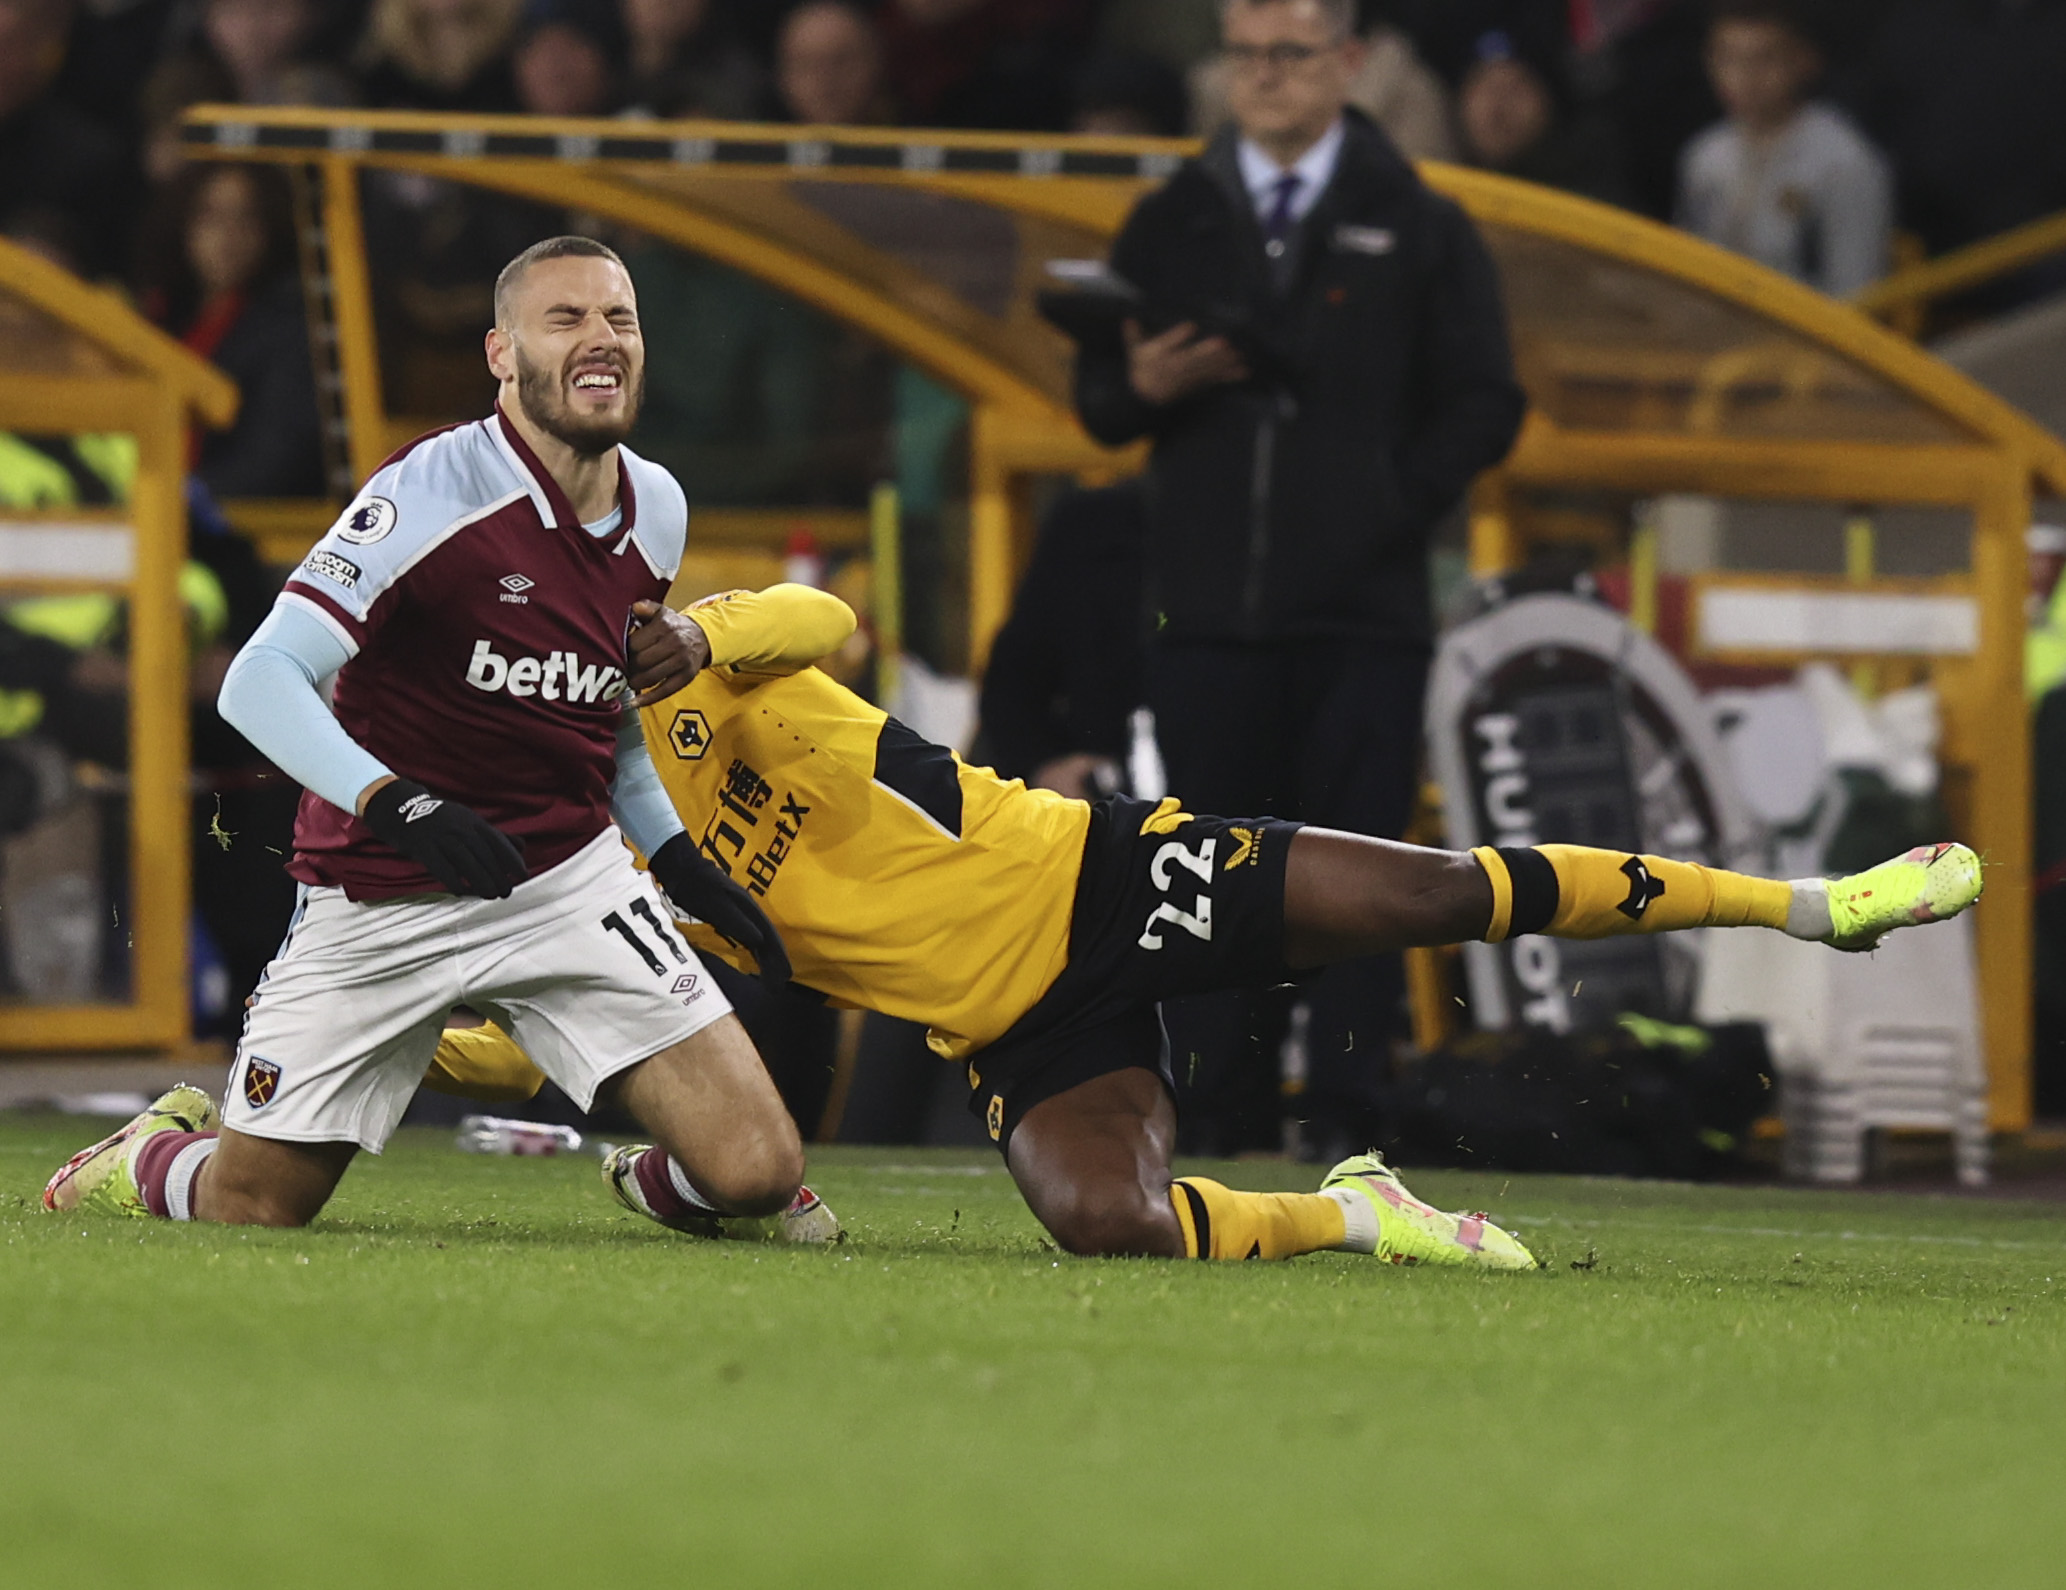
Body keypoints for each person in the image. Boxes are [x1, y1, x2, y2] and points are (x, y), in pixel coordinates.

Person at [401, 583, 1983, 1264]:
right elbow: (569, 1028)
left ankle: (1812, 908)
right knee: (1107, 1227)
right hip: (1017, 1026)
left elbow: (832, 622)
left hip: (1092, 867)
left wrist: (696, 630)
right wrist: (399, 1050)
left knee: (1428, 892)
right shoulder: (580, 861)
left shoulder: (690, 669)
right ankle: (1361, 1211)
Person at [42, 238, 809, 1234]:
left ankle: (650, 1178)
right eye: (564, 318)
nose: (600, 340)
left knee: (756, 1169)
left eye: (618, 319)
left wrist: (675, 855)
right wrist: (396, 803)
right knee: (254, 1204)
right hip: (380, 888)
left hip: (561, 883)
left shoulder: (654, 507)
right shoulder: (429, 496)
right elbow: (258, 680)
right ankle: (145, 1156)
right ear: (501, 354)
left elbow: (596, 711)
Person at [1073, 0, 1525, 1157]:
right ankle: (1213, 1124)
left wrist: (1381, 502)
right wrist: (1150, 392)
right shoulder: (1167, 220)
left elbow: (1487, 402)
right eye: (1244, 56)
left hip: (1364, 618)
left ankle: (1346, 1126)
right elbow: (1100, 402)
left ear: (1349, 65)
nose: (1263, 77)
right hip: (1205, 621)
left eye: (1289, 54)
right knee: (1207, 880)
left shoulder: (1421, 224)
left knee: (1364, 884)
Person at [1675, 0, 1891, 297]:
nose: (1745, 78)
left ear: (1804, 60)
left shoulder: (1843, 162)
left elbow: (1857, 290)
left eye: (1764, 59)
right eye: (1728, 59)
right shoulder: (1706, 155)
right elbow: (1687, 266)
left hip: (1806, 330)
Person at [136, 164, 325, 499]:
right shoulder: (163, 316)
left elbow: (275, 457)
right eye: (211, 216)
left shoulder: (291, 329)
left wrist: (179, 498)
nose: (228, 235)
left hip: (235, 528)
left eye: (247, 218)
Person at [775, 0, 891, 126]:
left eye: (841, 62)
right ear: (783, 76)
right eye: (808, 65)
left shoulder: (911, 137)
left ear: (875, 65)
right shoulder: (757, 140)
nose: (825, 79)